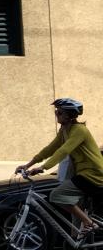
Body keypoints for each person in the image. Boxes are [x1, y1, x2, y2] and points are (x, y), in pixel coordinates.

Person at [18, 98, 103, 235]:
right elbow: (49, 149)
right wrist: (27, 165)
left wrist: (44, 167)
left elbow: (64, 150)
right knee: (76, 216)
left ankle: (89, 224)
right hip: (81, 174)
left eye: (59, 112)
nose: (56, 114)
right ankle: (78, 241)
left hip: (93, 174)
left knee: (57, 195)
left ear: (69, 115)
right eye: (56, 112)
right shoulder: (64, 131)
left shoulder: (79, 130)